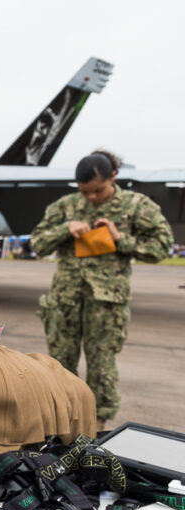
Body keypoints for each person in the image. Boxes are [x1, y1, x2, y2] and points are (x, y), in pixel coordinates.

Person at [31, 150, 173, 429]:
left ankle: (97, 428)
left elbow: (161, 247)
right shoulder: (66, 206)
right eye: (85, 193)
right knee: (59, 365)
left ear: (114, 177)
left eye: (98, 191)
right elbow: (37, 243)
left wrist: (121, 239)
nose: (91, 199)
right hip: (65, 300)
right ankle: (60, 426)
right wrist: (65, 228)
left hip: (106, 303)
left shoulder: (136, 206)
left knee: (102, 368)